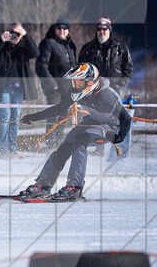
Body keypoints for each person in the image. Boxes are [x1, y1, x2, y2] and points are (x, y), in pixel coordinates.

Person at [16, 63, 131, 201]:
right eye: (74, 82)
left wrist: (120, 137)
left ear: (90, 82)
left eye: (79, 83)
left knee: (80, 140)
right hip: (93, 120)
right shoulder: (78, 92)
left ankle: (74, 188)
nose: (75, 86)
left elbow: (126, 118)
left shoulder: (106, 96)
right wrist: (33, 117)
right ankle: (42, 186)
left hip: (111, 126)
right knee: (66, 144)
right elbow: (59, 109)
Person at [79, 17, 134, 157]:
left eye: (104, 29)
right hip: (93, 91)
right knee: (97, 119)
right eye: (99, 29)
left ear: (109, 30)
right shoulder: (88, 49)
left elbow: (128, 70)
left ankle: (119, 152)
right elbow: (80, 70)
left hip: (113, 91)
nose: (101, 32)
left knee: (118, 119)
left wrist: (119, 83)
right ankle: (98, 149)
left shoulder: (120, 48)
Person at [0, 22, 38, 157]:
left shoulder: (24, 47)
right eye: (12, 32)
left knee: (14, 118)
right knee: (4, 117)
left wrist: (26, 36)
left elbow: (35, 52)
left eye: (18, 33)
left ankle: (12, 150)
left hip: (18, 89)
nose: (15, 36)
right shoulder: (2, 46)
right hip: (3, 88)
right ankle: (2, 151)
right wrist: (1, 40)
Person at [35, 17, 76, 147]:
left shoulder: (71, 45)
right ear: (55, 29)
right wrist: (52, 84)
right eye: (59, 28)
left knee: (63, 116)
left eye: (65, 28)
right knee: (53, 116)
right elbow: (41, 66)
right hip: (54, 88)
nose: (62, 31)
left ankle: (58, 144)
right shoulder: (48, 43)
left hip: (68, 87)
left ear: (68, 30)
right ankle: (50, 145)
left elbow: (74, 66)